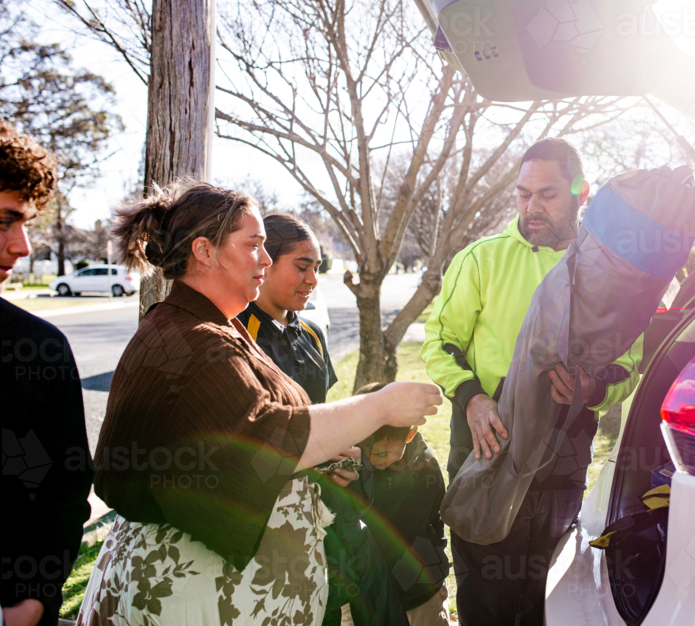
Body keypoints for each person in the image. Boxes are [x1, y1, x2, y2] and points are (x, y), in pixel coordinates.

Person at [75, 181, 440, 626]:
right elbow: (264, 434)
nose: (265, 261)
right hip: (194, 593)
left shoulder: (212, 326)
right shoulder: (194, 339)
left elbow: (219, 450)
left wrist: (318, 459)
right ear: (205, 251)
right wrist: (380, 407)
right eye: (253, 245)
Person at [421, 138, 642, 625]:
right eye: (523, 194)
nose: (531, 207)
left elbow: (629, 365)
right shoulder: (481, 259)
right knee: (487, 603)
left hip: (563, 465)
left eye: (547, 194)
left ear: (581, 194)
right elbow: (437, 341)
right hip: (487, 453)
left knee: (548, 600)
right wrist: (473, 399)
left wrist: (591, 389)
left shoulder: (607, 274)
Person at [236, 213, 408, 626]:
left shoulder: (311, 333)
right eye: (301, 266)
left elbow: (324, 413)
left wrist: (342, 458)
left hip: (334, 506)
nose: (313, 279)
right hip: (270, 521)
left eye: (318, 267)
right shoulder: (234, 334)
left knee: (368, 605)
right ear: (264, 260)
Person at [0, 121, 94, 626]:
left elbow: (65, 490)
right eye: (4, 222)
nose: (23, 247)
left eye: (27, 224)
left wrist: (34, 598)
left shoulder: (39, 349)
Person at [354, 383, 451, 626]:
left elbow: (435, 518)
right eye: (369, 452)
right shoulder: (350, 468)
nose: (375, 459)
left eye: (385, 454)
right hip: (368, 591)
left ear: (409, 435)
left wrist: (434, 561)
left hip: (421, 589)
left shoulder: (425, 467)